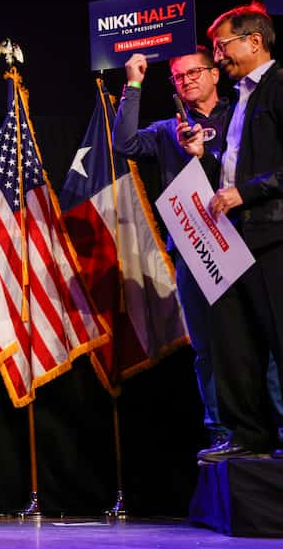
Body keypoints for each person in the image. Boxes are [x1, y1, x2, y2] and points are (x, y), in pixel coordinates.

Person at [111, 47, 283, 449]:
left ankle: (277, 428)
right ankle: (224, 431)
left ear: (214, 74)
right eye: (177, 77)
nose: (186, 81)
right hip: (195, 250)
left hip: (249, 241)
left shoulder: (239, 115)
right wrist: (134, 83)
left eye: (193, 72)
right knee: (209, 345)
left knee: (266, 338)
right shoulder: (167, 129)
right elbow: (124, 144)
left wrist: (208, 154)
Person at [178, 2, 283, 462]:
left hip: (273, 235)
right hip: (235, 240)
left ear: (254, 41)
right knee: (235, 342)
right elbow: (240, 164)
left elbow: (263, 175)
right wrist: (206, 161)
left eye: (223, 46)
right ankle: (248, 435)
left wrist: (248, 192)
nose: (217, 56)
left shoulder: (279, 87)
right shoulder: (241, 96)